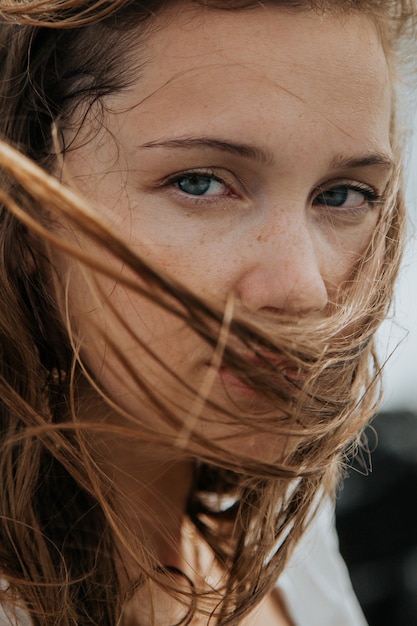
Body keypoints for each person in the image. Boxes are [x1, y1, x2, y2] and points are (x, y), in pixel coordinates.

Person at [0, 1, 415, 624]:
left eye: (342, 195)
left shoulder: (286, 543)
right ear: (26, 202)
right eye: (200, 182)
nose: (304, 290)